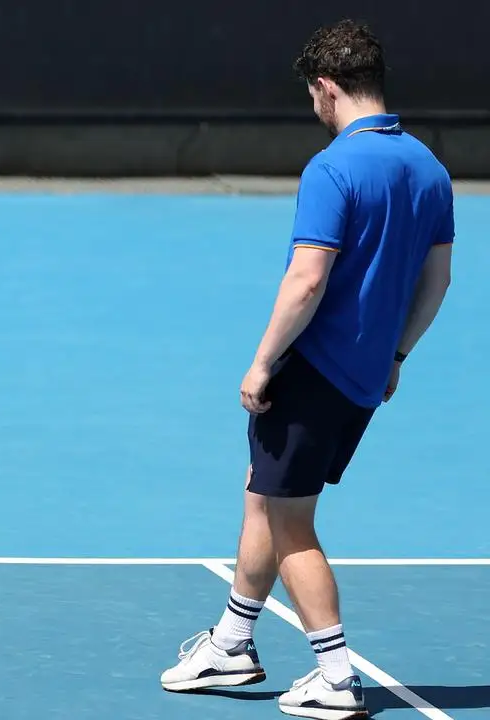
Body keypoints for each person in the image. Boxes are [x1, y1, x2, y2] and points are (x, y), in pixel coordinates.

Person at [159, 19, 454, 720]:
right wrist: (398, 355)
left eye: (313, 97)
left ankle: (334, 675)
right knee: (266, 492)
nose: (314, 109)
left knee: (291, 522)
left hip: (313, 370)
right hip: (362, 381)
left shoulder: (333, 168)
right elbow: (436, 281)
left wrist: (262, 363)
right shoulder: (430, 169)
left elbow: (307, 279)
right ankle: (232, 644)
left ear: (326, 88)